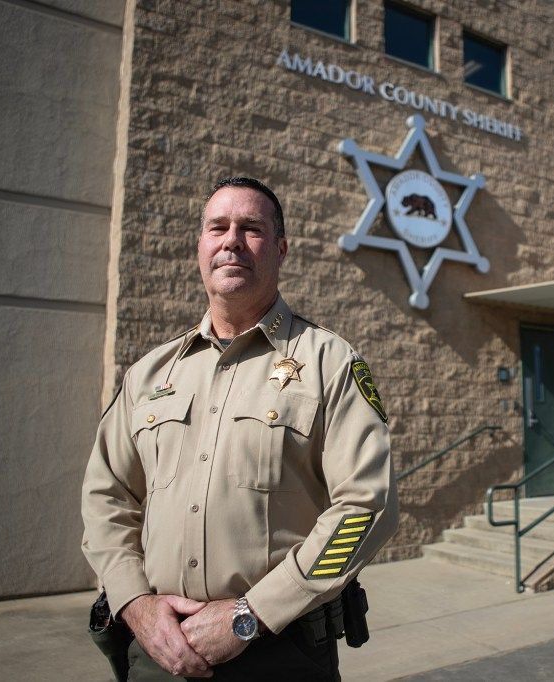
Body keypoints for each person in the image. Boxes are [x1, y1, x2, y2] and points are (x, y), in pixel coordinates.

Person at [81, 176, 398, 680]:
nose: (231, 239)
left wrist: (253, 615)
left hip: (281, 652)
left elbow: (367, 507)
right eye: (217, 227)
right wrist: (135, 604)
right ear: (201, 247)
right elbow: (106, 497)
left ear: (280, 249)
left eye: (251, 228)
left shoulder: (329, 362)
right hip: (159, 651)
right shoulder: (149, 374)